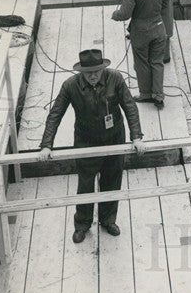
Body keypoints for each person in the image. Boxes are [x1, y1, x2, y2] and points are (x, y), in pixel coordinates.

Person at [37, 48, 144, 243]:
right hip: (86, 141)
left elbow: (130, 107)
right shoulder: (70, 86)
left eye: (96, 72)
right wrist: (46, 145)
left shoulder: (116, 79)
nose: (93, 76)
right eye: (88, 73)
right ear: (81, 73)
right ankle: (82, 224)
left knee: (112, 180)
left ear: (103, 69)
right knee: (85, 184)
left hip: (114, 139)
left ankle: (108, 220)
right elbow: (55, 114)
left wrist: (136, 136)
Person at [112, 0, 169, 109]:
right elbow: (164, 5)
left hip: (141, 32)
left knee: (142, 63)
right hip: (159, 27)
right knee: (157, 62)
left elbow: (124, 14)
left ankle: (145, 94)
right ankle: (158, 95)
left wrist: (115, 14)